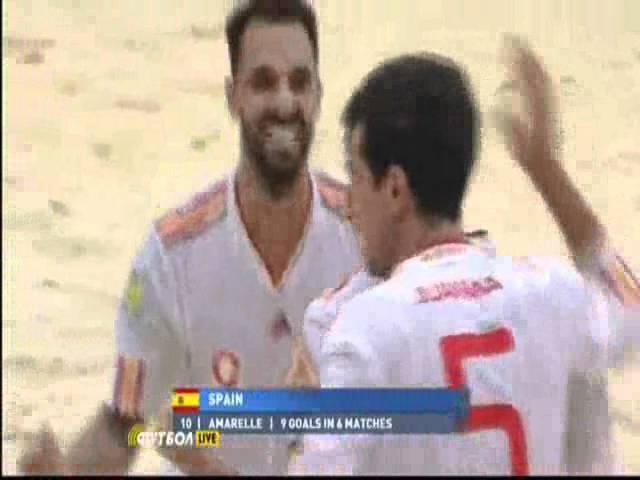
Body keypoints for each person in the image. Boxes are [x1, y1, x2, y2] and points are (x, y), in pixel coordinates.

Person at [18, 0, 362, 475]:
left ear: (319, 96)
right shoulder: (173, 256)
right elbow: (127, 424)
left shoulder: (364, 233)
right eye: (263, 82)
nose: (285, 102)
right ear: (233, 97)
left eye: (299, 83)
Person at [289, 37, 639, 475]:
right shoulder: (555, 294)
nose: (349, 206)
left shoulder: (356, 324)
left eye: (356, 178)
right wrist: (547, 170)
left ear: (395, 189)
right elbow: (631, 302)